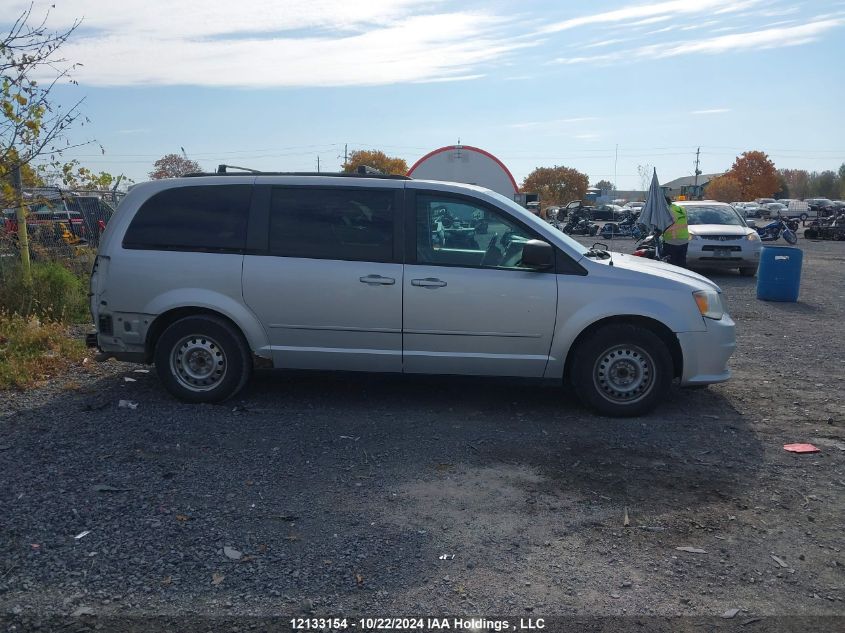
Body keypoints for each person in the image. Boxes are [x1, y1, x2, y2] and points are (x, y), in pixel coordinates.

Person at [660, 196, 689, 267]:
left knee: (671, 263)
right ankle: (683, 276)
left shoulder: (667, 211)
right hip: (684, 239)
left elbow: (662, 225)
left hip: (672, 240)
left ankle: (673, 277)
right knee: (682, 261)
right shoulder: (681, 209)